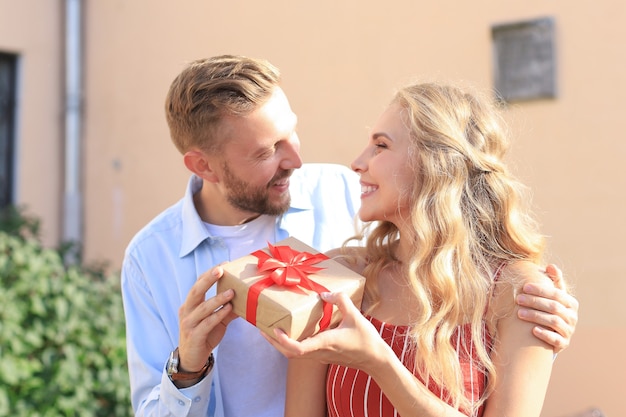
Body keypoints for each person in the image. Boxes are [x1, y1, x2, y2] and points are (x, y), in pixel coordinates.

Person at [120, 55, 578, 417]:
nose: (296, 160)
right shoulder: (150, 259)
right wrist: (188, 367)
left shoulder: (343, 193)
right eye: (266, 151)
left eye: (292, 134)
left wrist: (539, 316)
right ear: (203, 166)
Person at [267, 82, 573, 417]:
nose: (357, 163)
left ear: (435, 164)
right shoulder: (337, 277)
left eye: (380, 146)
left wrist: (380, 364)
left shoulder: (518, 293)